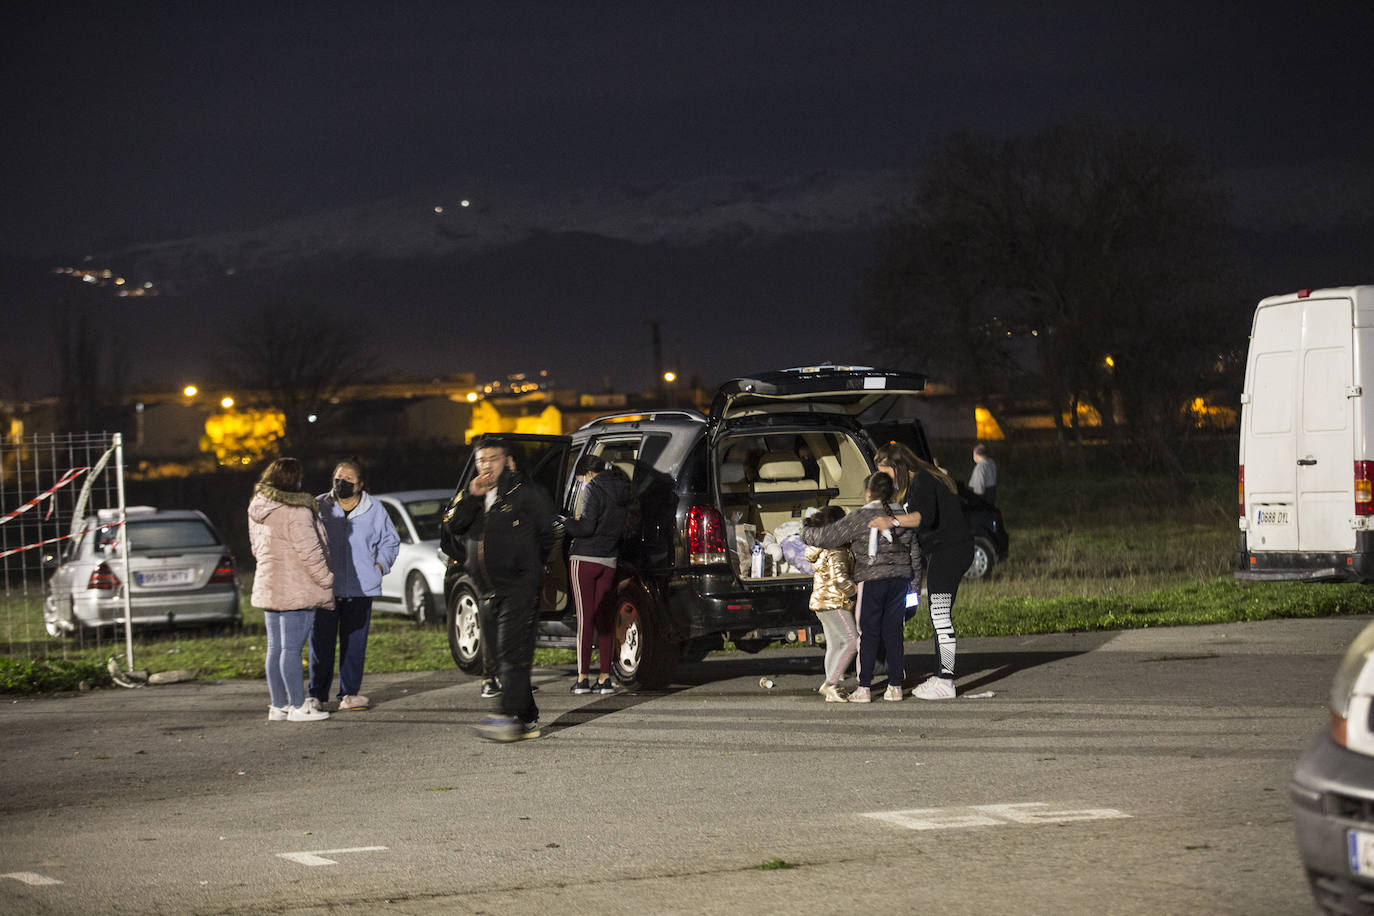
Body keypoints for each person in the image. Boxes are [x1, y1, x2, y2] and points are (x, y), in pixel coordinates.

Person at [443, 438, 555, 742]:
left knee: (510, 654)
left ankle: (506, 717)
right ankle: (527, 718)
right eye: (481, 460)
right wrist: (469, 498)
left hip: (519, 586)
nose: (486, 466)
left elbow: (547, 534)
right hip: (487, 591)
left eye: (492, 459)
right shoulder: (475, 496)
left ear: (507, 461)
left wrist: (528, 567)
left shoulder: (525, 494)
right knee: (505, 658)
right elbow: (453, 528)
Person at [800, 472, 920, 703]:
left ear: (868, 493)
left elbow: (828, 536)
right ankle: (895, 687)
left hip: (871, 580)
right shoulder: (901, 516)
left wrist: (804, 532)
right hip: (900, 580)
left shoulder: (859, 517)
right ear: (892, 493)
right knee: (894, 634)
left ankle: (864, 687)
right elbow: (914, 552)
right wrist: (914, 585)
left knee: (867, 634)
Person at [870, 441, 974, 700]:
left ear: (898, 466)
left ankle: (946, 681)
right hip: (947, 550)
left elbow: (921, 517)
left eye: (887, 472)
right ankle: (941, 674)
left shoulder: (923, 481)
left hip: (949, 551)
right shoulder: (923, 480)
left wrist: (890, 521)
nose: (886, 478)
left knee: (940, 615)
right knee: (938, 613)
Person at [309, 458, 400, 713]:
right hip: (325, 588)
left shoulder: (374, 509)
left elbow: (390, 542)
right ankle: (316, 694)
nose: (341, 482)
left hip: (361, 589)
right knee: (321, 643)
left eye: (348, 479)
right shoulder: (319, 506)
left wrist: (379, 567)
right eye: (338, 477)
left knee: (354, 645)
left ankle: (349, 694)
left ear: (359, 484)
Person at [247, 458, 333, 723]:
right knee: (292, 649)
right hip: (296, 587)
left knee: (276, 647)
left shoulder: (258, 506)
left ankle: (278, 705)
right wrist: (327, 579)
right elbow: (311, 553)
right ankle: (298, 706)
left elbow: (255, 548)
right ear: (293, 480)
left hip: (270, 584)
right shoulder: (297, 511)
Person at [559, 454, 631, 696]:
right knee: (605, 620)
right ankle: (605, 678)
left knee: (585, 619)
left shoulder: (593, 489)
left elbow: (586, 527)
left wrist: (566, 521)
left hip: (585, 560)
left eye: (581, 480)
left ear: (588, 475)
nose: (581, 484)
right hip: (609, 560)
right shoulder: (623, 490)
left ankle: (582, 679)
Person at [803, 505, 857, 702]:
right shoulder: (837, 549)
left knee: (834, 644)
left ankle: (831, 686)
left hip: (820, 602)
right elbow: (841, 580)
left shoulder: (820, 548)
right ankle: (831, 683)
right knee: (852, 641)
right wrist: (857, 590)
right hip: (836, 602)